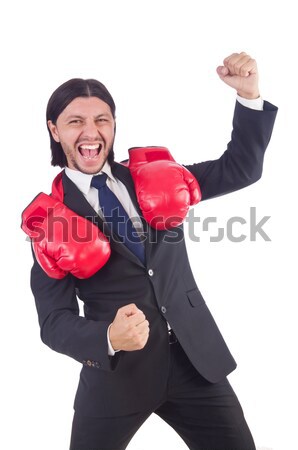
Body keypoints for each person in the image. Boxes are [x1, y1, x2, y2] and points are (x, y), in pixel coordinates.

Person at [23, 52, 277, 450]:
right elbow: (53, 322)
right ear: (55, 130)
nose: (91, 132)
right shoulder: (50, 221)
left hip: (195, 362)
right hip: (118, 375)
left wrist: (248, 96)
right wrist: (108, 337)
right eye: (76, 121)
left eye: (101, 120)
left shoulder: (156, 178)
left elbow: (241, 168)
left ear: (113, 126)